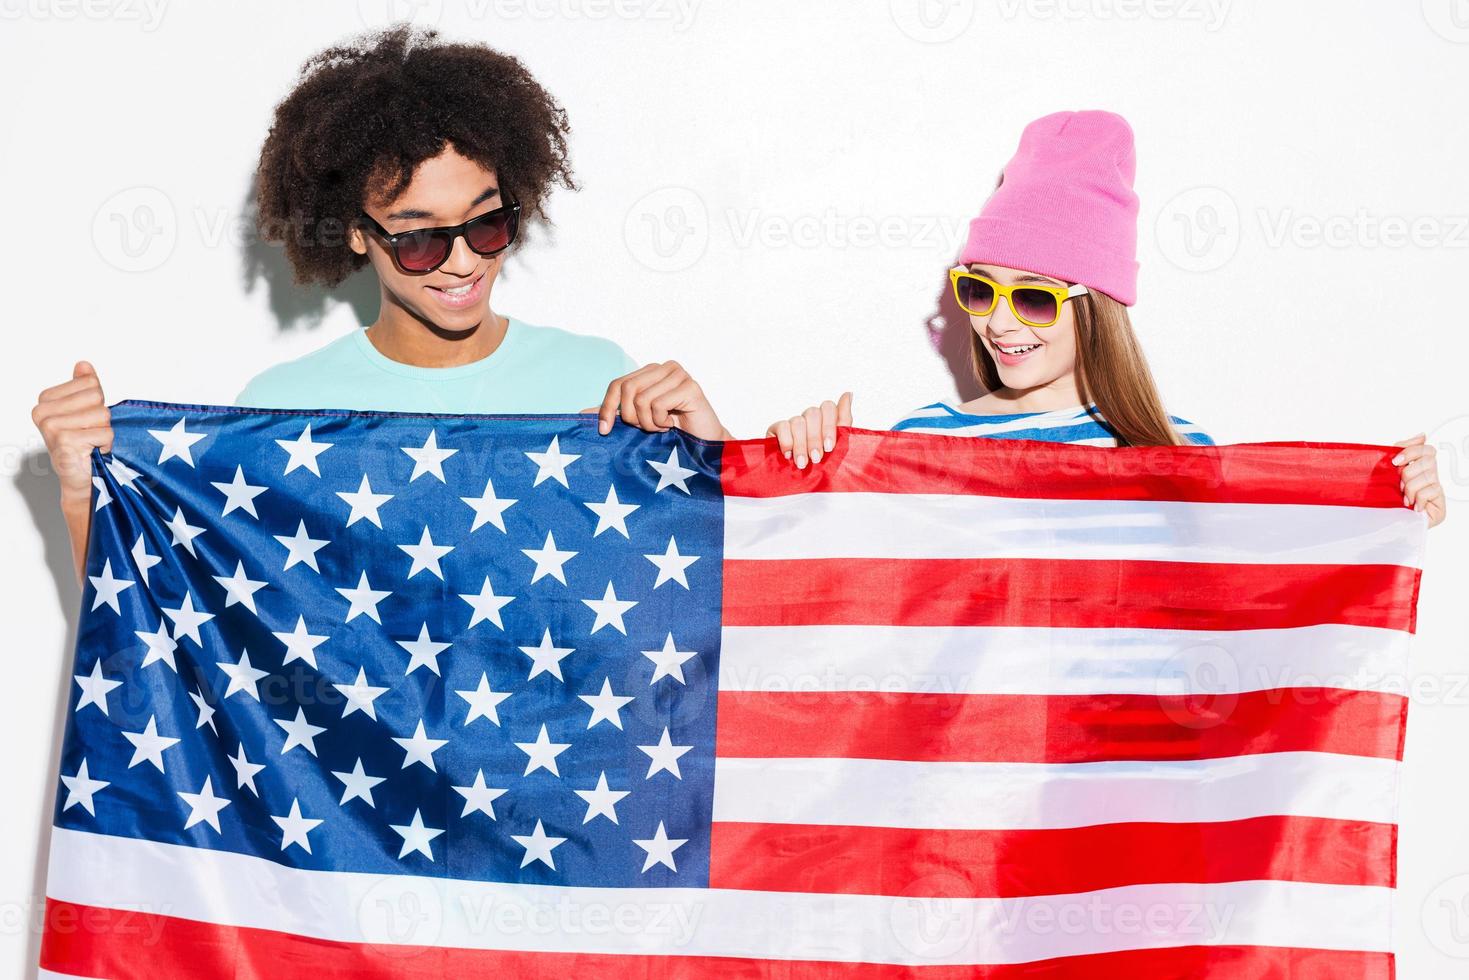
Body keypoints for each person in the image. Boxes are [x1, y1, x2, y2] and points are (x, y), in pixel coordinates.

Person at [32, 26, 728, 589]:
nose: (462, 261)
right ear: (359, 233)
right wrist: (77, 488)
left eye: (488, 224)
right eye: (421, 238)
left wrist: (719, 454)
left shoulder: (598, 378)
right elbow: (170, 616)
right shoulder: (284, 409)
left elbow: (689, 593)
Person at [765, 110, 1445, 527]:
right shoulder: (920, 443)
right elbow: (846, 603)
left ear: (1097, 307)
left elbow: (1260, 602)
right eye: (979, 290)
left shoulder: (1176, 458)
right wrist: (797, 469)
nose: (999, 323)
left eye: (1033, 296)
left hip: (1113, 760)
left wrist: (1389, 503)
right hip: (965, 759)